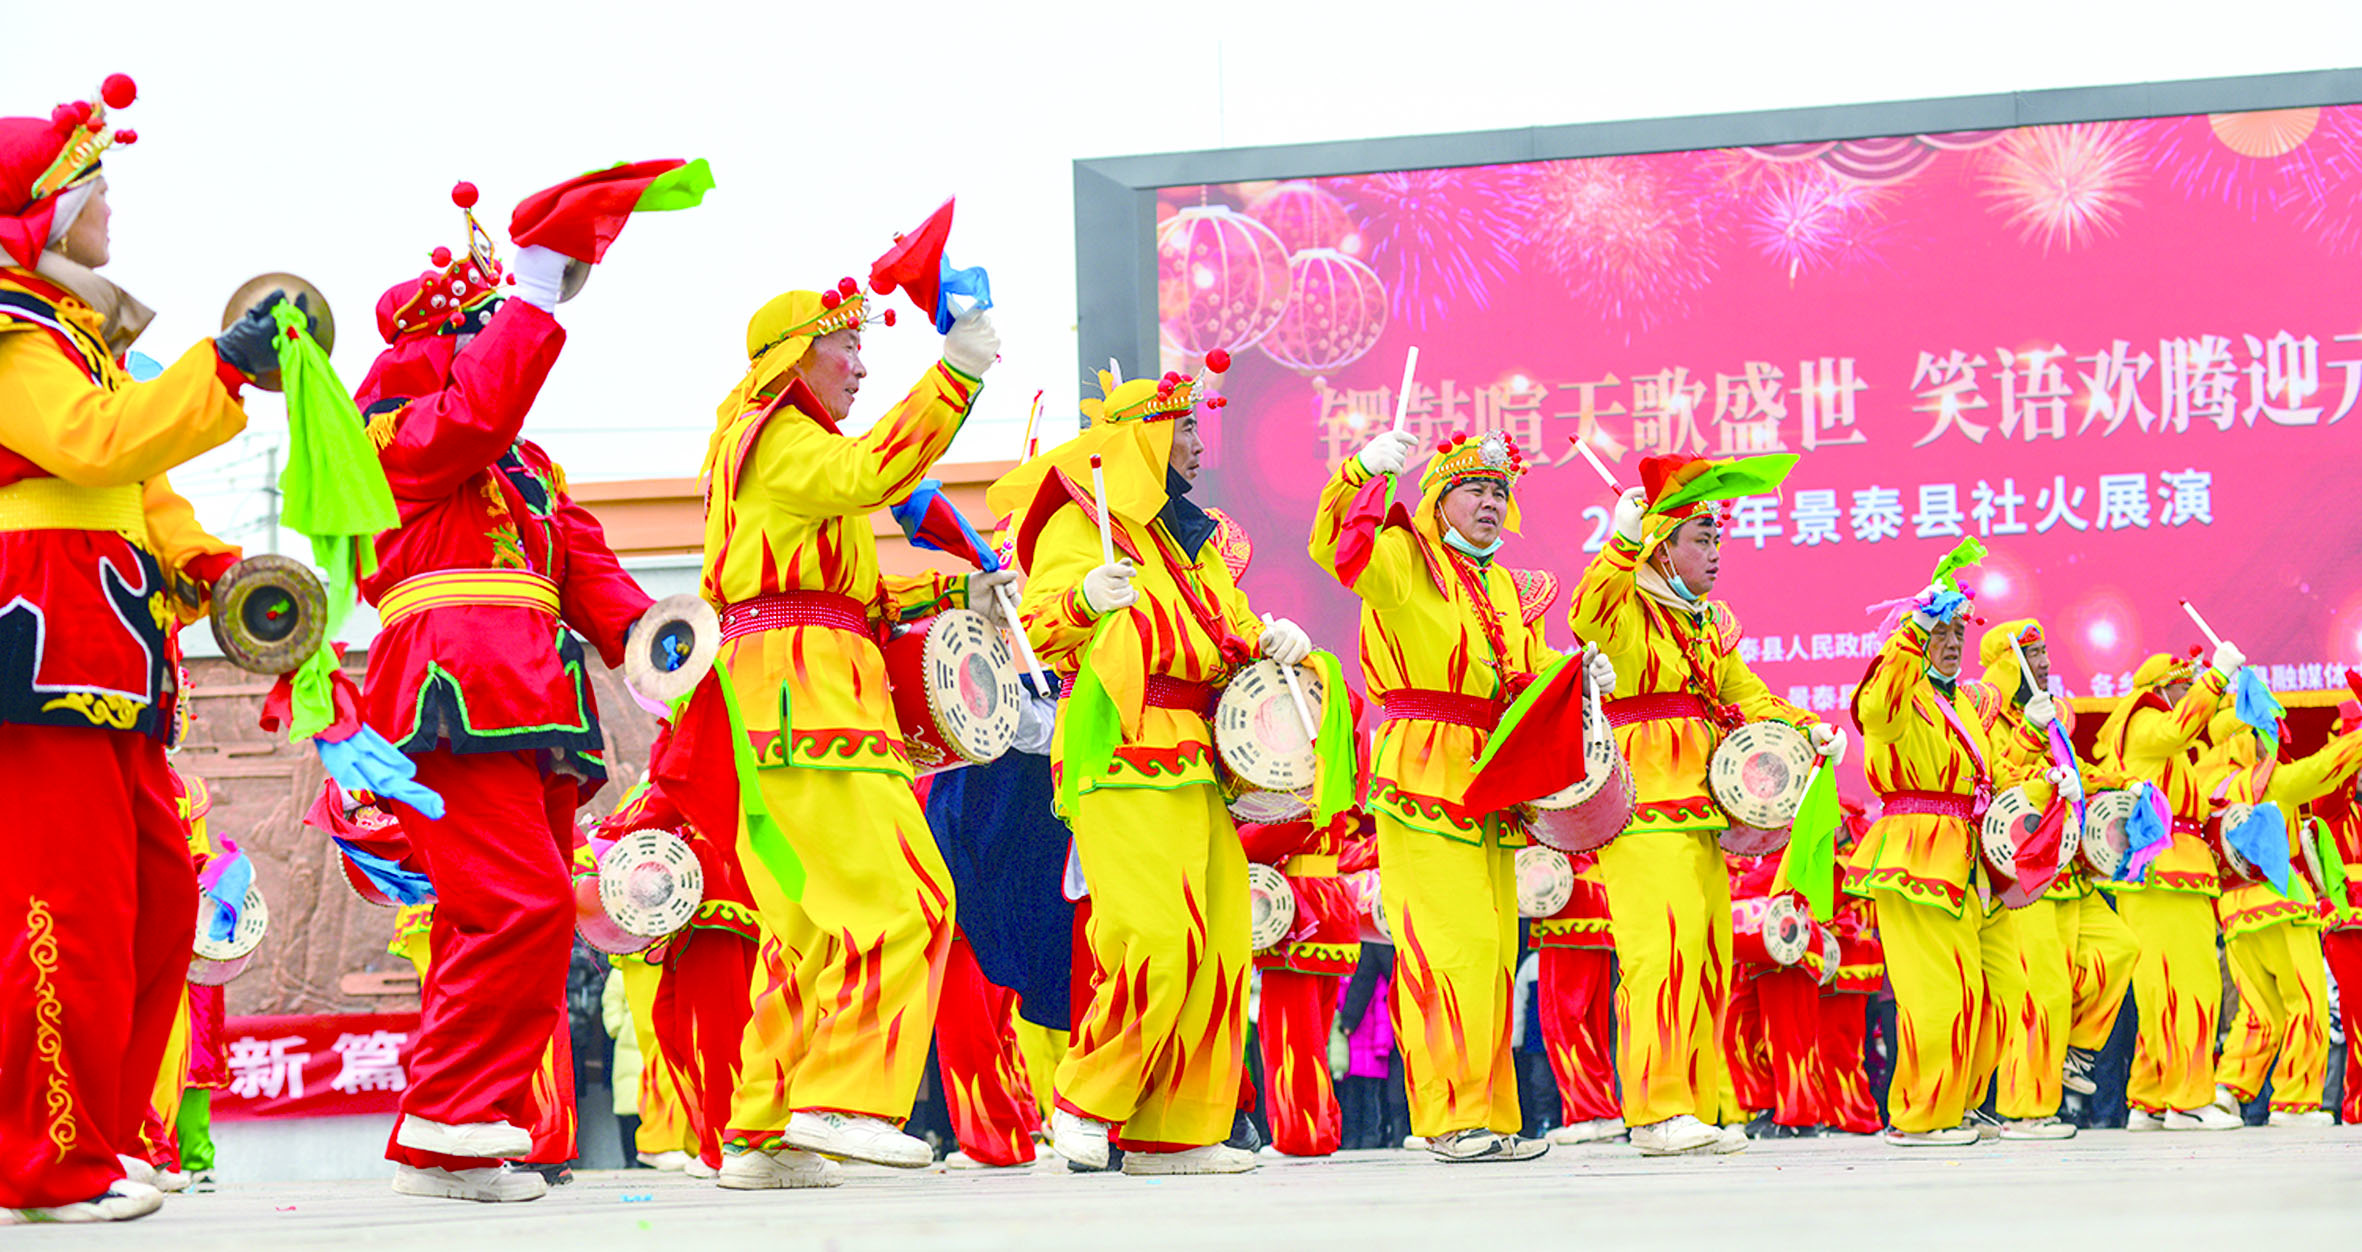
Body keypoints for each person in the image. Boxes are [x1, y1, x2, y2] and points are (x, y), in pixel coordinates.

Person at [0, 74, 294, 1224]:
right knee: (63, 911)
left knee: (160, 903)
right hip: (42, 638)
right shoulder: (12, 333)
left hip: (110, 645)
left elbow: (142, 485)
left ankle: (104, 1137)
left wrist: (212, 567)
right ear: (45, 212)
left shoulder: (80, 336)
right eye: (94, 192)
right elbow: (94, 444)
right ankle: (46, 1163)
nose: (111, 210)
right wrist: (221, 366)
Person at [355, 183, 657, 1201]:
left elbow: (587, 563)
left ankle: (454, 1129)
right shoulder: (391, 430)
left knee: (502, 913)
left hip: (530, 689)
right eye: (488, 329)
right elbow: (474, 414)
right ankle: (450, 1117)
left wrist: (656, 652)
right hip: (451, 685)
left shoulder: (525, 466)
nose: (506, 347)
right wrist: (532, 294)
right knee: (518, 906)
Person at [665, 279, 1003, 1187]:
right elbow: (872, 474)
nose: (859, 365)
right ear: (793, 356)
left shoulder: (776, 451)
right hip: (811, 701)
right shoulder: (782, 436)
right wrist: (956, 374)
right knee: (908, 900)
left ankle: (764, 1130)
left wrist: (956, 591)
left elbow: (846, 590)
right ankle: (846, 1102)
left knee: (807, 932)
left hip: (781, 696)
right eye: (846, 346)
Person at [990, 362, 1306, 1176]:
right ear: (1142, 439)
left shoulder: (1188, 539)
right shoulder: (1079, 523)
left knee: (1220, 944)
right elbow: (1035, 627)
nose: (1200, 444)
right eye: (1185, 428)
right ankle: (1085, 1100)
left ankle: (1174, 1129)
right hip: (1121, 750)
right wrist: (1083, 599)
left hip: (1197, 759)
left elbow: (1229, 628)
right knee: (1157, 938)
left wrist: (1272, 639)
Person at [1308, 426, 1580, 1163]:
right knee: (1446, 949)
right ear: (1438, 497)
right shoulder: (1405, 557)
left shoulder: (1504, 587)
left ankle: (1488, 1114)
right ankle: (1450, 1116)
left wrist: (1577, 675)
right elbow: (1337, 548)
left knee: (1492, 951)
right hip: (1424, 768)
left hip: (1493, 780)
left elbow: (1529, 674)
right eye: (1475, 490)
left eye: (1500, 492)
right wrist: (1359, 474)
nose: (1492, 503)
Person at [1567, 453, 1838, 1156]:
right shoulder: (1627, 608)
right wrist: (1621, 540)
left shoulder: (1709, 623)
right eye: (1701, 538)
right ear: (1662, 546)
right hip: (1642, 806)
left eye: (1719, 537)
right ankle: (1656, 1110)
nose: (1716, 551)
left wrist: (1806, 728)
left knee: (1707, 957)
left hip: (1701, 810)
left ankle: (1695, 1104)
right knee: (1660, 956)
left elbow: (1748, 696)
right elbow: (1586, 611)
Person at [1843, 575, 2039, 1146]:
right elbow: (1876, 712)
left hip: (1974, 858)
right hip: (1918, 853)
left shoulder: (1964, 703)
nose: (1952, 643)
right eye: (1940, 632)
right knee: (1939, 994)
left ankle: (1960, 1101)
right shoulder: (1898, 694)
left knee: (2003, 988)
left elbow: (1994, 766)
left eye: (1958, 633)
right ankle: (1921, 1116)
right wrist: (1912, 632)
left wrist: (2046, 783)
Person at [1974, 619, 2136, 1138]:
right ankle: (2027, 1109)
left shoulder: (2049, 715)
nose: (2044, 663)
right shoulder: (1985, 715)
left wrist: (2123, 783)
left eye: (2045, 652)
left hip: (2068, 869)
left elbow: (2074, 769)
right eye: (2032, 655)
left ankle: (2076, 1050)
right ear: (2007, 663)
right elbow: (1996, 776)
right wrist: (2029, 739)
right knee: (2041, 991)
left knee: (2120, 949)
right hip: (2024, 871)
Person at [2093, 645, 2244, 1130]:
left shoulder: (2166, 747)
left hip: (2170, 875)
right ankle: (2189, 1100)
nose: (2191, 695)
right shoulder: (2146, 724)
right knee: (2190, 986)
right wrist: (2217, 677)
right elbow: (2179, 726)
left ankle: (2151, 1098)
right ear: (2164, 689)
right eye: (2185, 686)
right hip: (2164, 873)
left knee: (2161, 990)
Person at [2201, 699, 2362, 1126]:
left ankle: (2228, 1089)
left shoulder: (2205, 784)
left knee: (2259, 1011)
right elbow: (2322, 769)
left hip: (2234, 913)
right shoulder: (2267, 781)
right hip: (2281, 905)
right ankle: (2295, 1103)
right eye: (2266, 731)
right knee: (2306, 1003)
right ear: (2251, 737)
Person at [2315, 700, 2362, 1125]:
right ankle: (2356, 1103)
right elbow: (2332, 783)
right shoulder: (2335, 810)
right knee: (2357, 1011)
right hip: (2349, 921)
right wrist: (2354, 732)